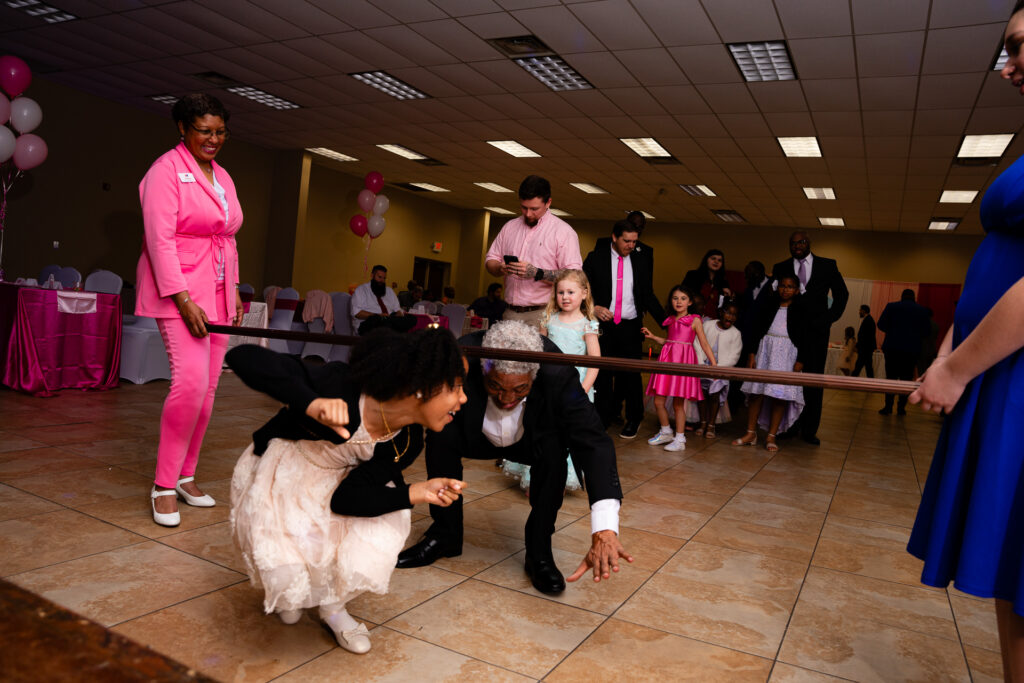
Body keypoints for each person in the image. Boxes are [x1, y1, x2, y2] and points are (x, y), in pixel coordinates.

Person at [225, 329, 468, 654]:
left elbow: (348, 499)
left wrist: (416, 493)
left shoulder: (406, 441)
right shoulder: (344, 385)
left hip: (336, 484)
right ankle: (292, 593)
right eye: (455, 387)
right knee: (288, 558)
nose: (463, 398)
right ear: (421, 388)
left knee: (371, 528)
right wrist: (311, 402)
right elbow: (243, 357)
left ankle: (333, 608)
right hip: (287, 474)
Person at [908, 8, 1024, 678]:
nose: (1008, 67)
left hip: (1016, 377)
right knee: (1013, 571)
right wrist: (948, 353)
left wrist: (958, 368)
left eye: (1018, 47)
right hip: (998, 367)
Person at [395, 321, 631, 596]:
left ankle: (539, 551)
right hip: (474, 433)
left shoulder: (555, 370)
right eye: (495, 385)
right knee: (440, 437)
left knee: (555, 453)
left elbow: (594, 441)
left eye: (520, 389)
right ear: (483, 367)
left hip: (533, 438)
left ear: (535, 375)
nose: (506, 398)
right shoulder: (461, 355)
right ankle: (444, 534)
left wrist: (604, 528)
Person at [136, 93, 245, 527]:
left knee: (210, 388)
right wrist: (182, 298)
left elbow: (229, 235)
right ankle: (163, 485)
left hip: (218, 289)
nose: (213, 139)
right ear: (183, 128)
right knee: (189, 383)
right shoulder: (164, 171)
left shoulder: (222, 176)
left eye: (219, 131)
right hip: (179, 290)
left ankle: (186, 475)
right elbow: (158, 240)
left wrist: (233, 289)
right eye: (204, 130)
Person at [502, 269, 598, 493]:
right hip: (547, 385)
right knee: (541, 429)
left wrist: (583, 389)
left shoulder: (587, 325)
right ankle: (533, 476)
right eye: (561, 292)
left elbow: (595, 361)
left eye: (571, 292)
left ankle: (560, 479)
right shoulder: (548, 320)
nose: (565, 297)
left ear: (584, 293)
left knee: (565, 432)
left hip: (575, 386)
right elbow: (539, 352)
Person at [582, 219, 665, 438]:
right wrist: (595, 308)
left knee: (631, 375)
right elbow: (581, 289)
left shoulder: (641, 259)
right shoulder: (596, 258)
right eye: (626, 241)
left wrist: (667, 321)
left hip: (630, 325)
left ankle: (634, 418)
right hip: (603, 326)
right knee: (602, 374)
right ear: (614, 237)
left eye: (634, 241)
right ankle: (602, 418)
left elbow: (648, 294)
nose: (631, 245)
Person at [770, 231, 848, 444]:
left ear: (808, 244)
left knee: (813, 380)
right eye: (793, 243)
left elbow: (842, 295)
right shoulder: (780, 267)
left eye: (801, 242)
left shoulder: (828, 265)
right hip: (788, 332)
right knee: (789, 379)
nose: (797, 246)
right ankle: (788, 426)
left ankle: (810, 430)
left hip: (817, 333)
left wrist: (828, 319)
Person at [483, 176, 582, 329]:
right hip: (510, 313)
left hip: (543, 314)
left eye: (534, 209)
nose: (528, 214)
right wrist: (500, 268)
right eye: (524, 207)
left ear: (548, 202)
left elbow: (574, 277)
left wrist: (537, 272)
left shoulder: (563, 232)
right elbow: (490, 260)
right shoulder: (509, 227)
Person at [733, 275, 809, 453]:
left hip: (787, 354)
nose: (785, 289)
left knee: (779, 395)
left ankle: (771, 436)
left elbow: (807, 338)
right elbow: (755, 329)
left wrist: (801, 360)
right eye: (782, 286)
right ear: (777, 288)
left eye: (790, 287)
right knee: (756, 393)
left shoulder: (801, 310)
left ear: (797, 290)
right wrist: (752, 354)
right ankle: (750, 433)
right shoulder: (768, 306)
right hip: (765, 350)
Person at [642, 285, 717, 452]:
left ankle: (680, 439)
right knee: (658, 400)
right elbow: (670, 342)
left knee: (678, 404)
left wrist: (714, 364)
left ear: (690, 302)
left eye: (683, 298)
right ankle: (666, 431)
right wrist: (653, 337)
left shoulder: (695, 320)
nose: (678, 301)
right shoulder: (670, 319)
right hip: (666, 361)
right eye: (675, 298)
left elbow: (704, 343)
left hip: (683, 361)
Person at [690, 301, 743, 439]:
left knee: (714, 396)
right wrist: (701, 363)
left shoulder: (736, 334)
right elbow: (697, 343)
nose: (731, 317)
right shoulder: (707, 325)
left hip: (721, 369)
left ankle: (711, 425)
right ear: (721, 312)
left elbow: (734, 356)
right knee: (701, 395)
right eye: (728, 313)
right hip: (703, 366)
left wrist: (718, 368)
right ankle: (702, 423)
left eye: (734, 315)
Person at [877, 289, 930, 415]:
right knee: (906, 380)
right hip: (911, 351)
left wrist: (893, 330)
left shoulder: (891, 307)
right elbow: (927, 332)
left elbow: (881, 325)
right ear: (914, 298)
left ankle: (888, 406)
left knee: (890, 379)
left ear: (902, 297)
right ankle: (901, 408)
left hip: (892, 349)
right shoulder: (922, 311)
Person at [351, 265, 410, 334]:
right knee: (379, 321)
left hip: (389, 321)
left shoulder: (389, 291)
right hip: (368, 323)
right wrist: (378, 315)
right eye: (379, 277)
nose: (382, 281)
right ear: (372, 275)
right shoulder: (361, 290)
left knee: (411, 319)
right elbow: (356, 313)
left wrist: (398, 315)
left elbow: (397, 309)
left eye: (384, 278)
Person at [682, 249, 733, 319]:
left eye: (719, 260)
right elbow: (682, 296)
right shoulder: (693, 275)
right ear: (706, 260)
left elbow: (726, 306)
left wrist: (729, 297)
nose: (716, 262)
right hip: (692, 318)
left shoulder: (723, 283)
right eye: (713, 258)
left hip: (712, 322)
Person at [852, 304, 877, 377]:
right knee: (867, 367)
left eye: (860, 310)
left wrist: (858, 346)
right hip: (867, 349)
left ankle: (851, 381)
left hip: (865, 349)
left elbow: (865, 336)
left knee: (859, 367)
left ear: (863, 311)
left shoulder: (868, 320)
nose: (859, 312)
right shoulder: (869, 319)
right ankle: (871, 382)